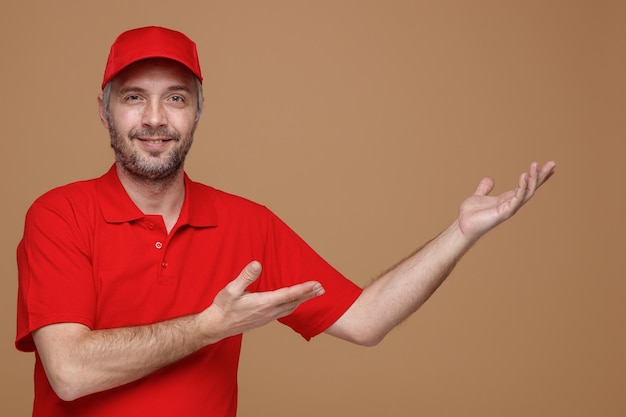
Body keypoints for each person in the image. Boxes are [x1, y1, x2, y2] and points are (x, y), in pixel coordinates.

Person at [15, 26, 556, 417]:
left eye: (175, 99)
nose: (155, 119)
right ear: (104, 109)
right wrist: (209, 326)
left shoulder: (246, 223)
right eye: (135, 98)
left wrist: (458, 235)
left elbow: (364, 320)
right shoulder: (59, 215)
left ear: (197, 113)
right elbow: (71, 373)